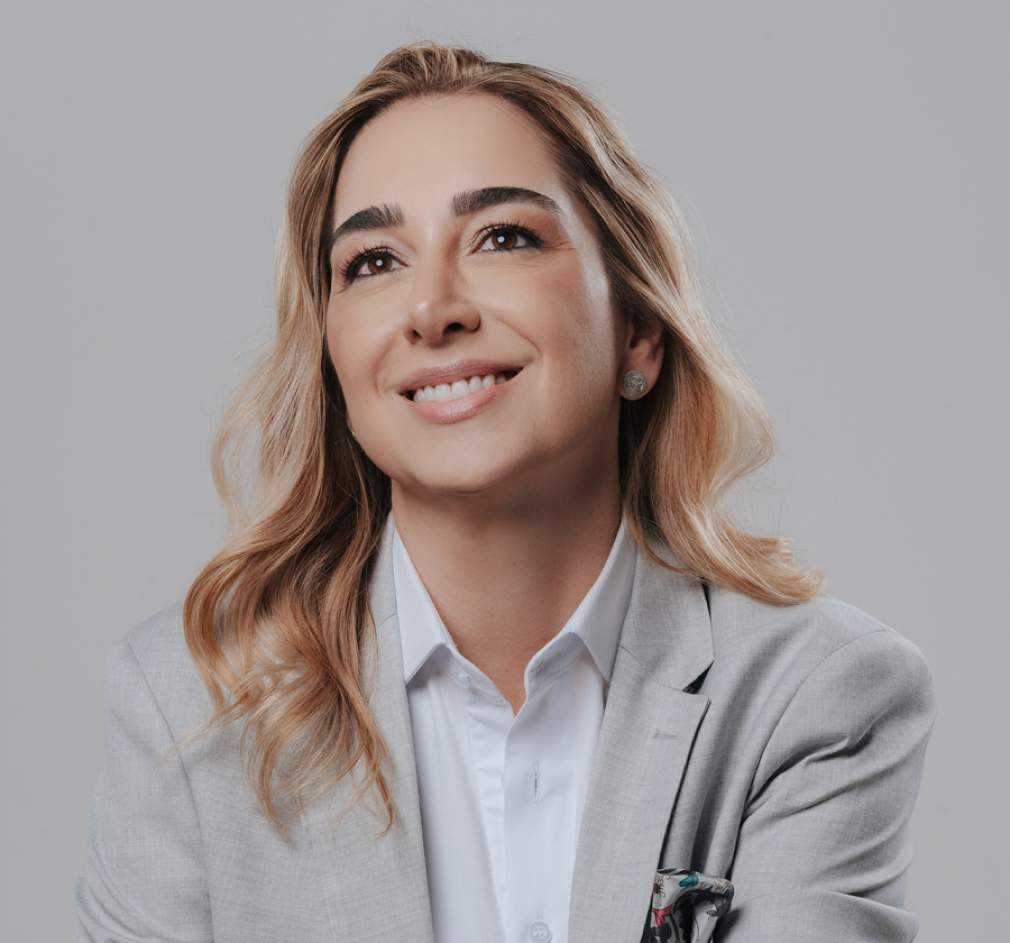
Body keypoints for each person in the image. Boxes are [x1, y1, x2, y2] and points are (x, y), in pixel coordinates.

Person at [74, 40, 937, 943]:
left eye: (503, 237)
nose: (432, 309)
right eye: (373, 261)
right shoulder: (189, 706)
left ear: (639, 329)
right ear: (332, 356)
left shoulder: (815, 694)